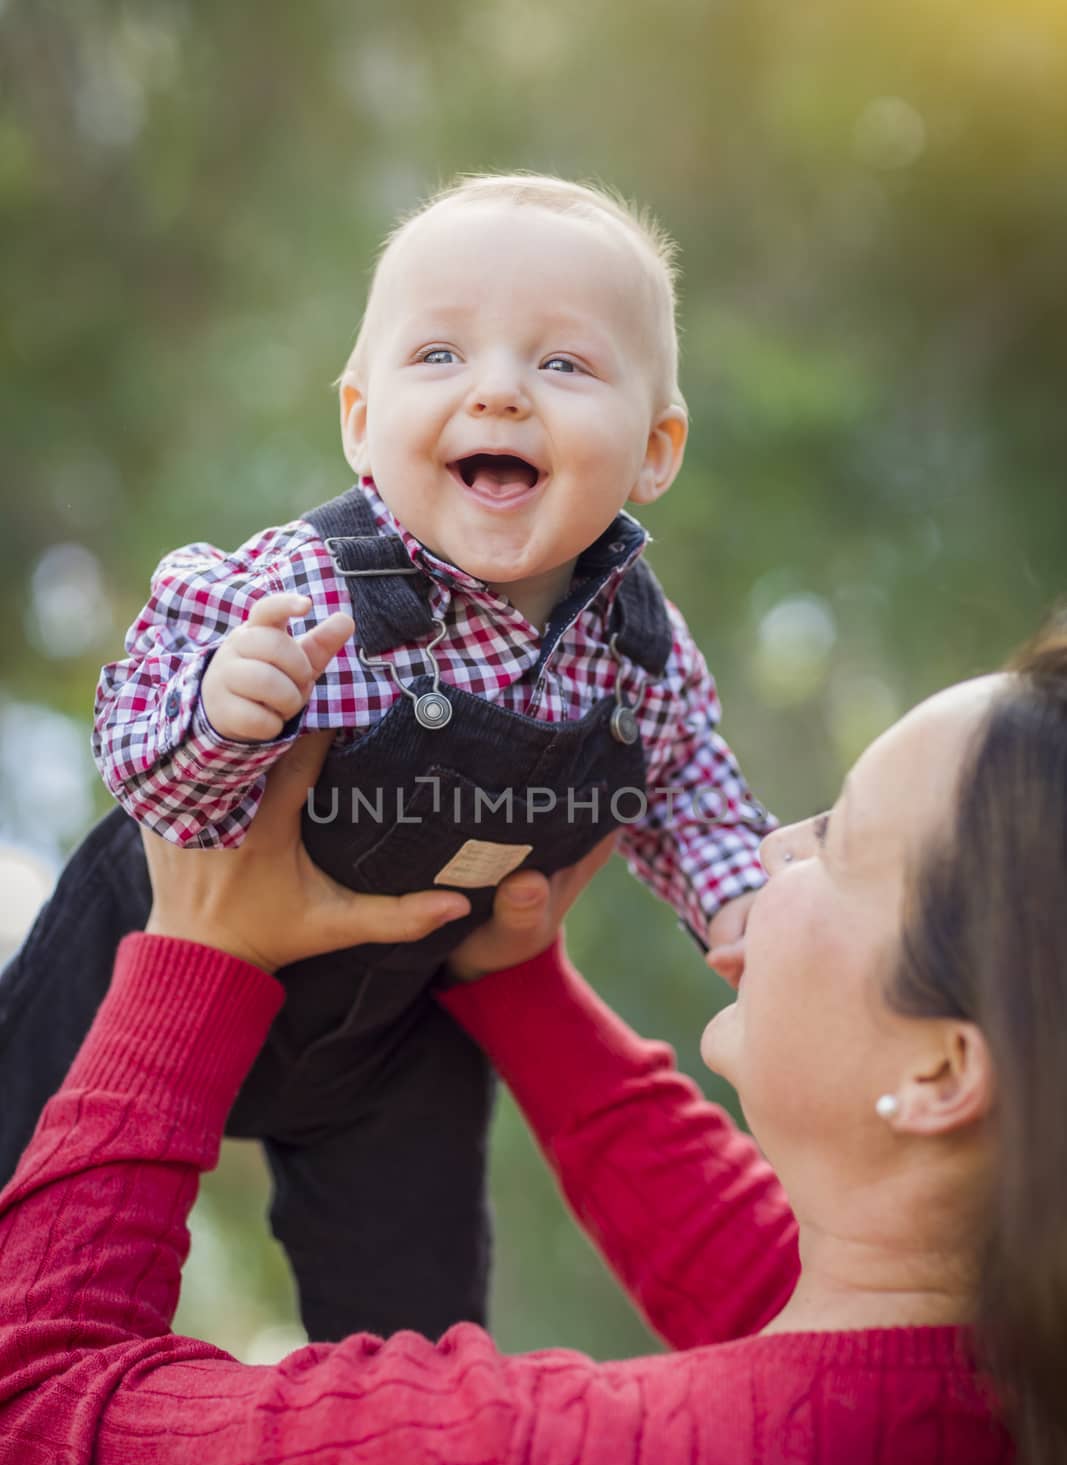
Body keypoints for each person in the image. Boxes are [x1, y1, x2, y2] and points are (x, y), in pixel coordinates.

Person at [1, 625, 1064, 1465]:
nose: (776, 842)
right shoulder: (1017, 1439)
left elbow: (35, 1406)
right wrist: (516, 980)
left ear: (939, 1073)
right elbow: (757, 1280)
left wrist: (198, 952)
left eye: (833, 841)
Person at [0, 173, 774, 1343]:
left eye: (562, 365)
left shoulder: (641, 661)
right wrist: (223, 716)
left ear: (655, 448)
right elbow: (145, 782)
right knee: (22, 1179)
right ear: (360, 421)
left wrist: (743, 907)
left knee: (412, 1334)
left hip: (395, 1033)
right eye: (440, 357)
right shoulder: (291, 589)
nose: (501, 392)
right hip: (146, 961)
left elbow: (694, 800)